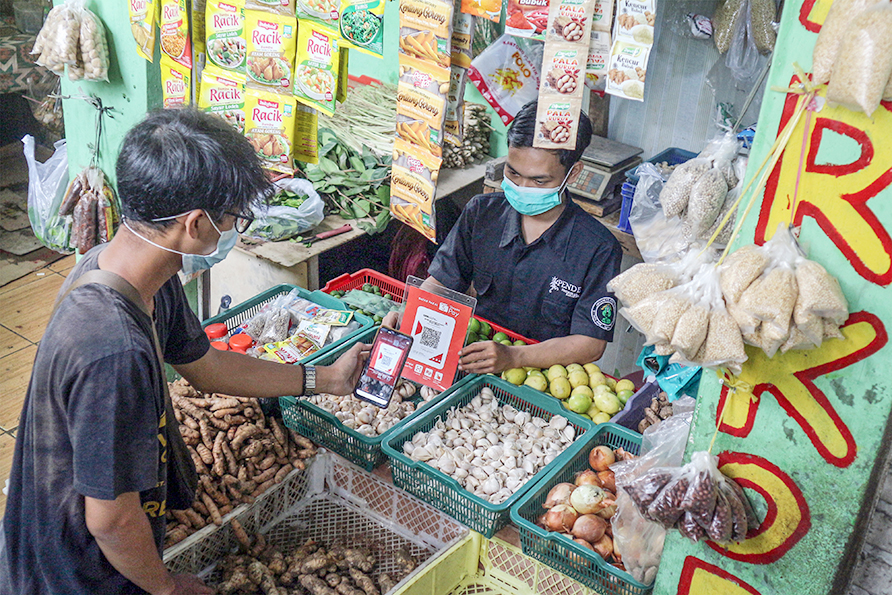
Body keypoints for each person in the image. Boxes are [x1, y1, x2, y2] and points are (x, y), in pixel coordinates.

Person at [0, 109, 368, 595]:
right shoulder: (114, 350)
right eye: (236, 217)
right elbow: (109, 520)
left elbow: (208, 366)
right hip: (74, 573)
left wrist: (325, 380)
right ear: (194, 224)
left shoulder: (137, 272)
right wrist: (167, 587)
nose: (238, 228)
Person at [425, 100, 622, 375]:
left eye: (539, 181)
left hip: (543, 375)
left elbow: (590, 344)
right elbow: (440, 282)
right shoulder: (481, 213)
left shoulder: (598, 248)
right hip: (472, 360)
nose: (522, 187)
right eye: (513, 173)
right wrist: (412, 313)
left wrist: (515, 357)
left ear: (573, 174)